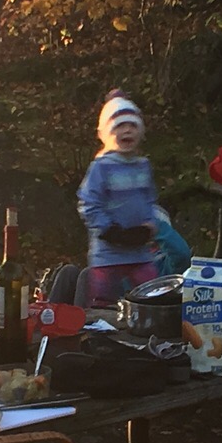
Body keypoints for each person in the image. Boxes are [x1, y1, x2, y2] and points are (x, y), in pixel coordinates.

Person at [78, 92, 160, 305]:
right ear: (107, 133)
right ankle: (101, 322)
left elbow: (150, 201)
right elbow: (88, 204)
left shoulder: (143, 166)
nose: (127, 130)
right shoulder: (101, 167)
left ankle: (147, 322)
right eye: (120, 126)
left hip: (139, 251)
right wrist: (109, 230)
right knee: (102, 301)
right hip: (108, 253)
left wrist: (150, 226)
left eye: (132, 126)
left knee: (152, 295)